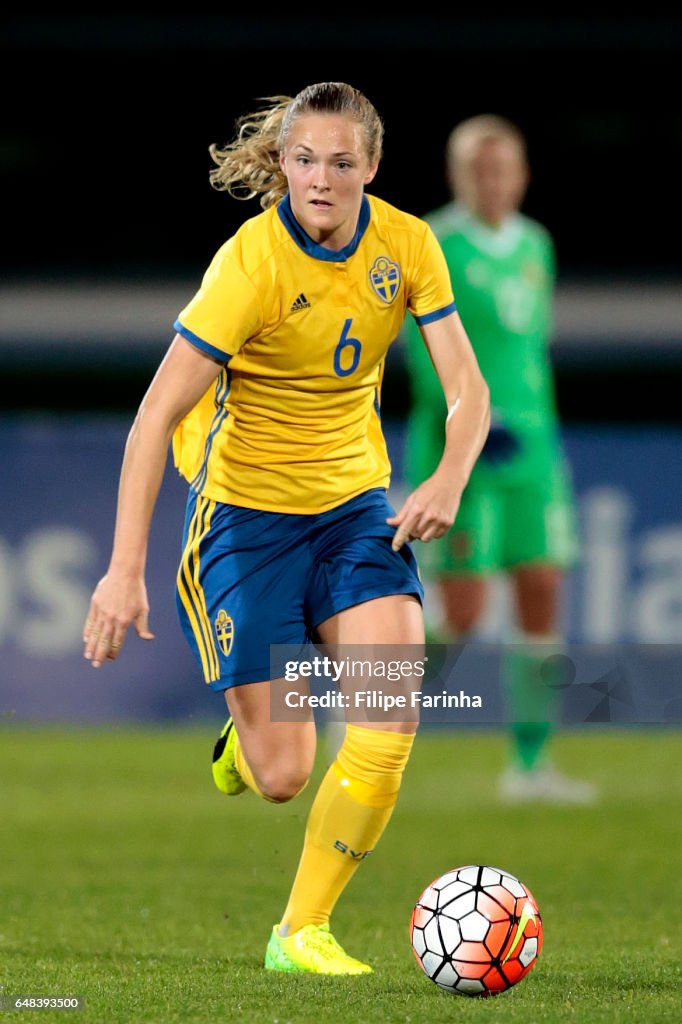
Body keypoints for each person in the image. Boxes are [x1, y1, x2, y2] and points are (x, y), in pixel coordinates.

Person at [82, 82, 490, 975]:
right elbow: (153, 419)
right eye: (305, 159)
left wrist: (449, 478)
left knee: (389, 712)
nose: (322, 178)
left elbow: (466, 386)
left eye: (342, 162)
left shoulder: (408, 244)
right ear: (283, 164)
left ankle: (300, 931)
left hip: (354, 511)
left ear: (370, 168)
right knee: (282, 776)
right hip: (244, 521)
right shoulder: (250, 266)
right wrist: (123, 570)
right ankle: (244, 736)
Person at [403, 114, 596, 805]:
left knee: (542, 586)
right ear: (457, 176)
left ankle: (531, 765)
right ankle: (369, 710)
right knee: (465, 607)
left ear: (521, 175)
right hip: (464, 447)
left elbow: (529, 347)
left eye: (503, 168)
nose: (492, 181)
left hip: (533, 448)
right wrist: (469, 421)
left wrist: (532, 422)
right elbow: (424, 351)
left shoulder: (535, 245)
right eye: (478, 170)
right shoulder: (432, 243)